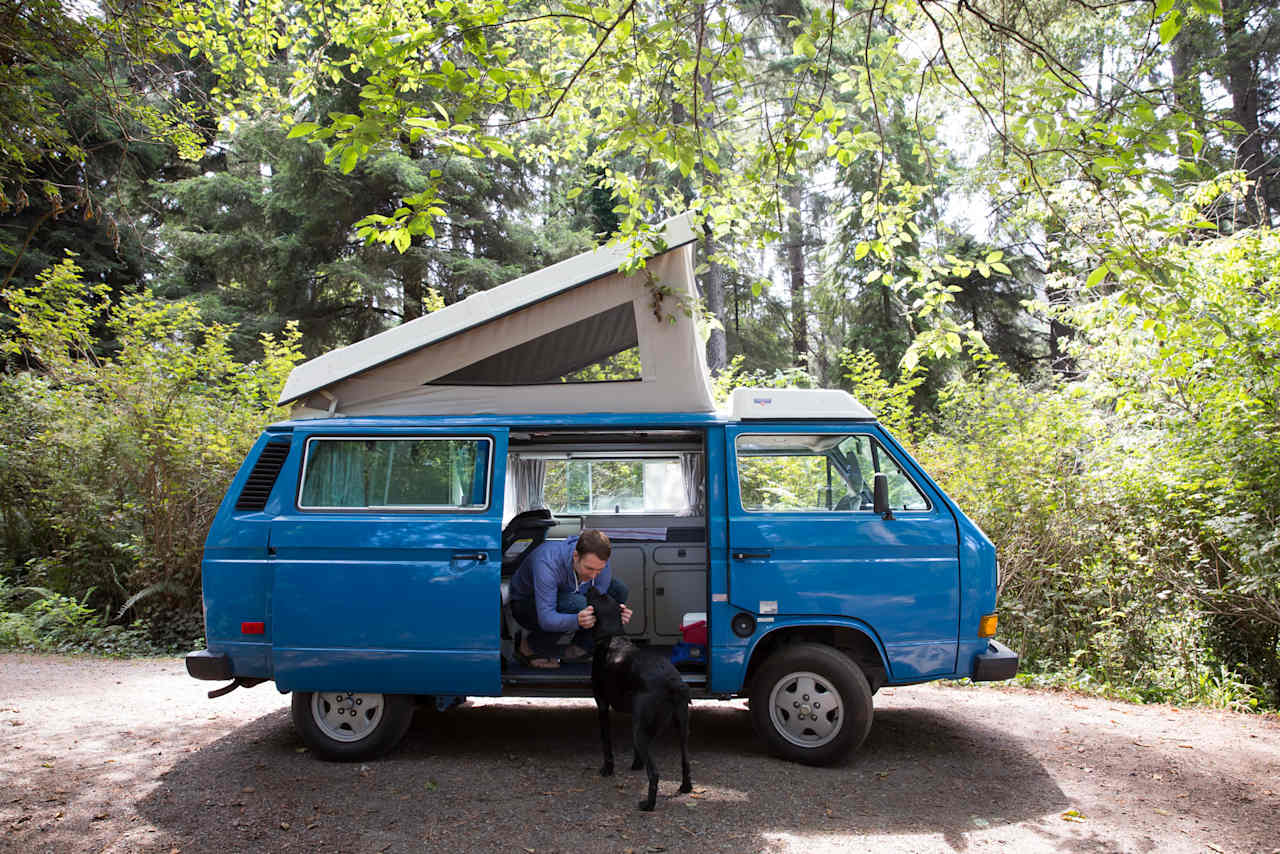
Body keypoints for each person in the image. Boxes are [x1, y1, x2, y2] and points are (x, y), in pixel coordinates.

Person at [507, 529, 632, 668]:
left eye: (599, 570)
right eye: (589, 568)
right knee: (578, 604)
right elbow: (546, 619)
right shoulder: (547, 561)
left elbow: (597, 602)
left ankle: (581, 647)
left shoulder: (599, 559)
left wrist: (615, 614)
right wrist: (577, 620)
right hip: (526, 604)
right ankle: (529, 647)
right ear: (575, 556)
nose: (594, 576)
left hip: (569, 593)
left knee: (619, 591)